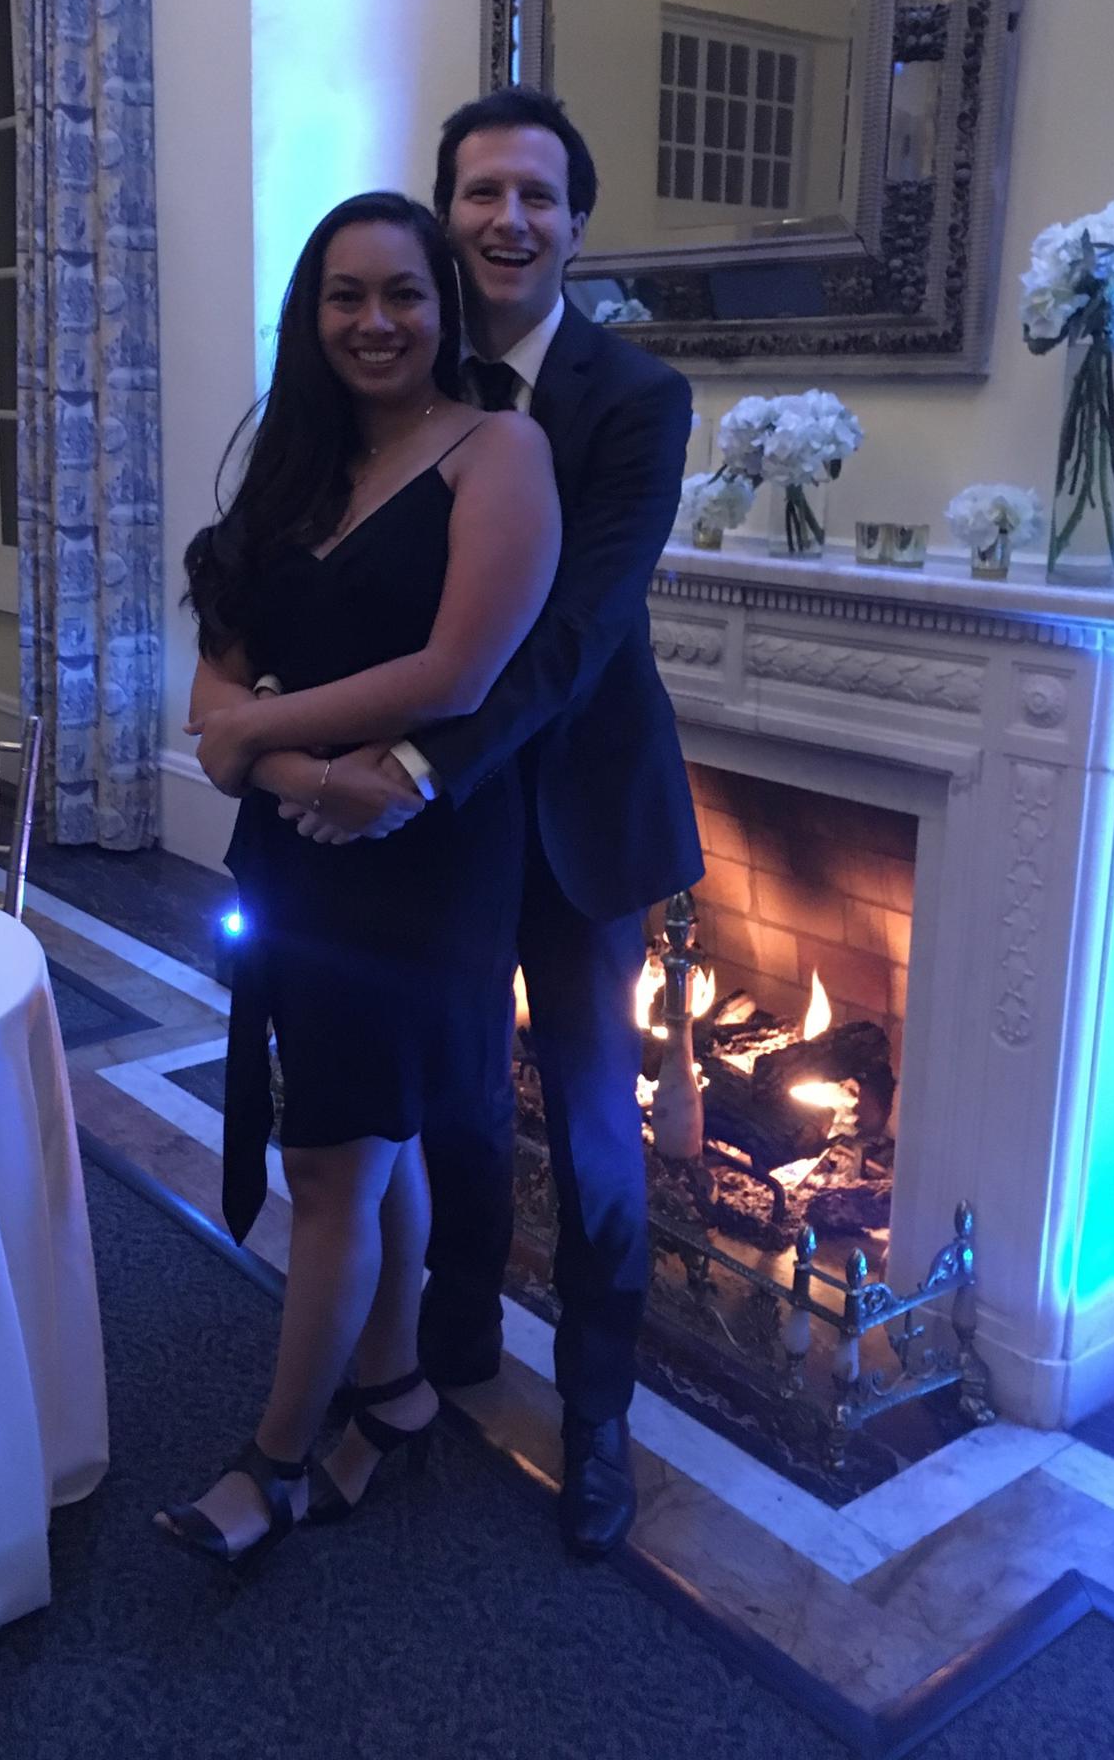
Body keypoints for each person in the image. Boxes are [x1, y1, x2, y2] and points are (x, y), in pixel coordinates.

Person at [272, 90, 703, 1559]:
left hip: (576, 814)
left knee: (589, 1129)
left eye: (536, 194)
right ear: (446, 212)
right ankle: (448, 1342)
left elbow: (579, 632)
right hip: (441, 834)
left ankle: (598, 1418)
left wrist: (417, 762)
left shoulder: (636, 397)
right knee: (449, 1094)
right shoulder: (400, 366)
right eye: (480, 193)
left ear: (577, 221)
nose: (507, 219)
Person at [160, 191, 559, 1571]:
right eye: (346, 295)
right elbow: (212, 696)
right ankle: (391, 1393)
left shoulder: (499, 450)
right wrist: (303, 773)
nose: (375, 320)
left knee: (332, 1161)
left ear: (446, 308)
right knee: (370, 1147)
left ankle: (273, 1461)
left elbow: (456, 671)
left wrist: (260, 736)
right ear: (310, 315)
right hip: (304, 848)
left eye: (403, 293)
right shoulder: (292, 468)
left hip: (422, 865)